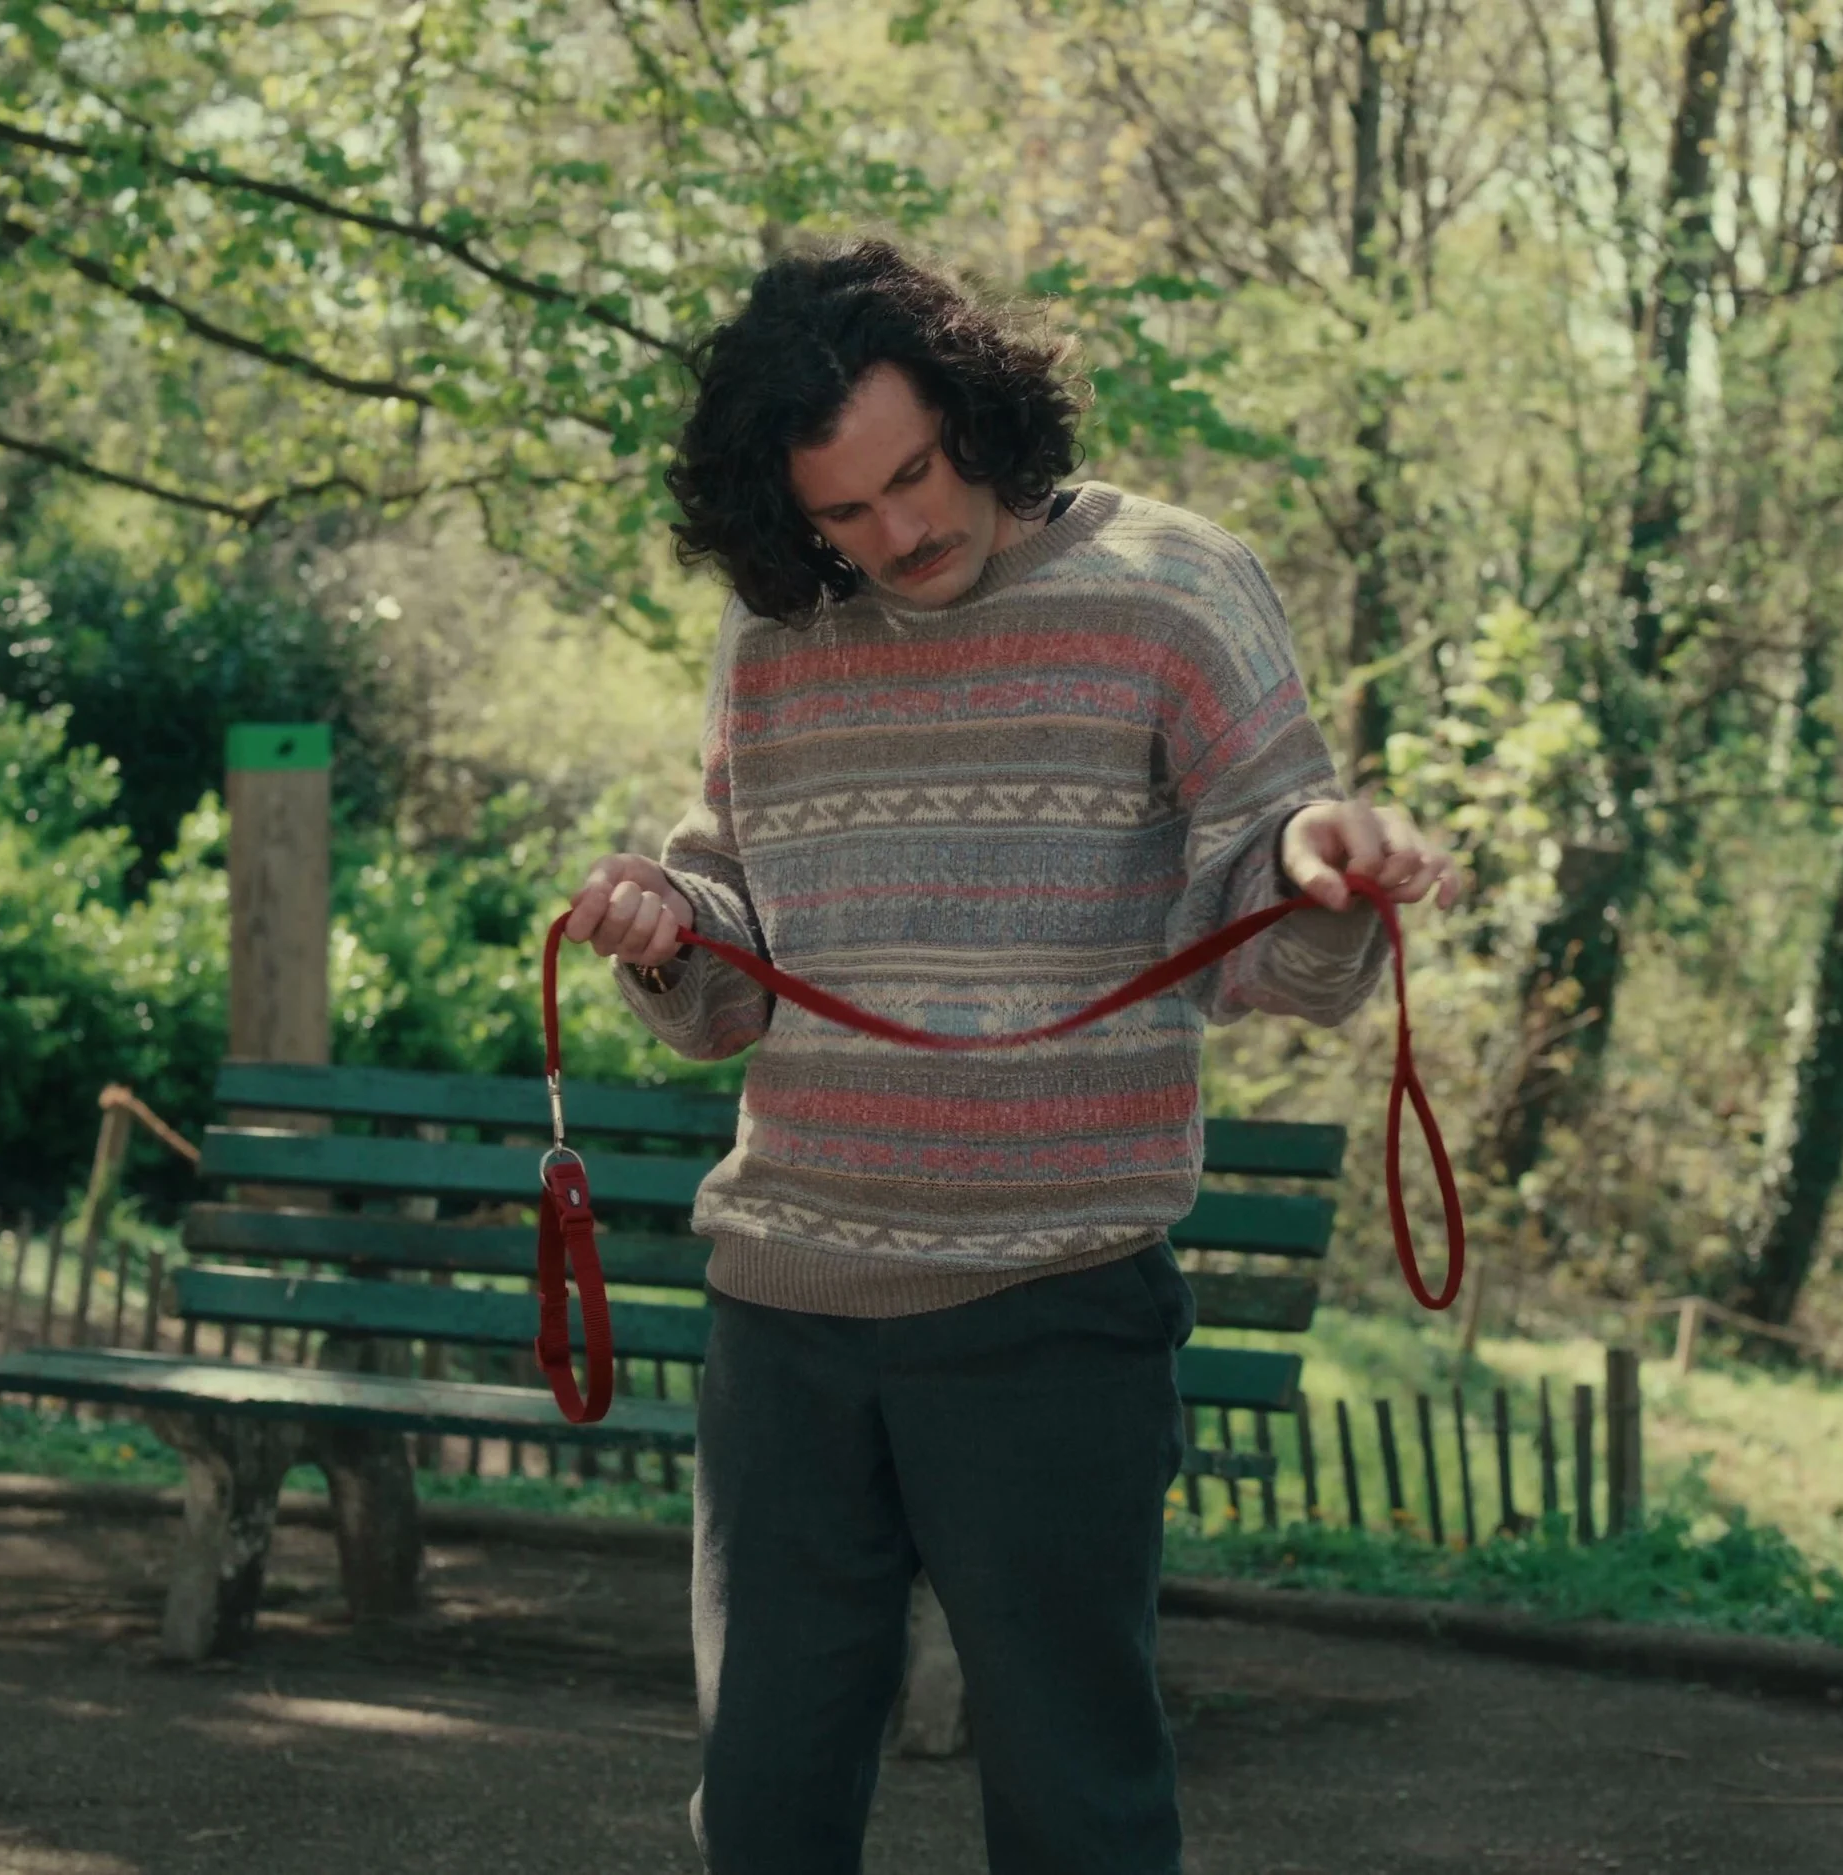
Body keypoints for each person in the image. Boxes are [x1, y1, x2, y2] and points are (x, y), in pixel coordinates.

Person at [563, 237, 1459, 1875]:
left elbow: (1280, 920)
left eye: (916, 473)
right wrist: (660, 922)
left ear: (978, 408)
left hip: (1052, 1307)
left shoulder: (1174, 588)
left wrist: (1327, 864)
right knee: (759, 1812)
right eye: (844, 512)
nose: (900, 533)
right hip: (791, 1302)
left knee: (1076, 1807)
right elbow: (731, 967)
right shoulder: (777, 640)